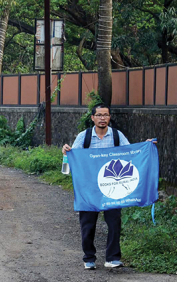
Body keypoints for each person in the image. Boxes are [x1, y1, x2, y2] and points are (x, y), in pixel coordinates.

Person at [62, 104, 154, 270]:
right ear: (93, 118)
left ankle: (112, 258)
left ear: (109, 117)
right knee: (87, 224)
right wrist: (66, 153)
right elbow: (72, 160)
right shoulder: (85, 137)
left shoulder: (118, 136)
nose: (102, 118)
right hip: (89, 189)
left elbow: (131, 153)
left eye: (105, 115)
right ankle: (89, 258)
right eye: (99, 115)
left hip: (113, 186)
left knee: (114, 222)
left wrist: (145, 146)